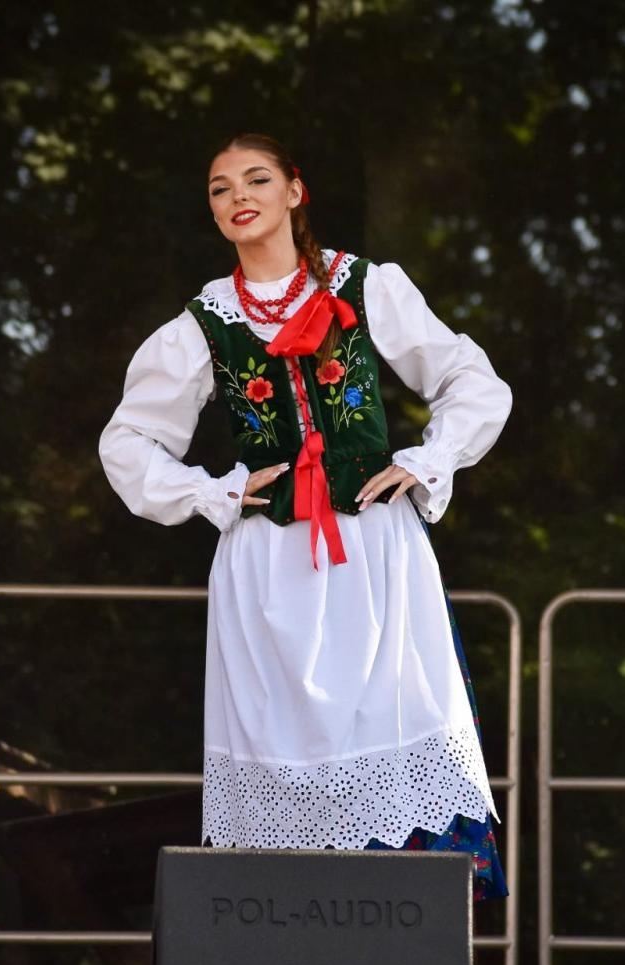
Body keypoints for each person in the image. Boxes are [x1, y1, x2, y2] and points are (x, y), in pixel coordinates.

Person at [100, 134, 511, 898]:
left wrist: (427, 459)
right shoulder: (203, 324)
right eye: (219, 188)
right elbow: (128, 442)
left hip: (373, 551)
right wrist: (211, 491)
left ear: (296, 190)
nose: (237, 197)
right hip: (268, 567)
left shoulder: (365, 287)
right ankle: (295, 963)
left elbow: (471, 380)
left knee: (393, 727)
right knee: (280, 746)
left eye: (256, 179)